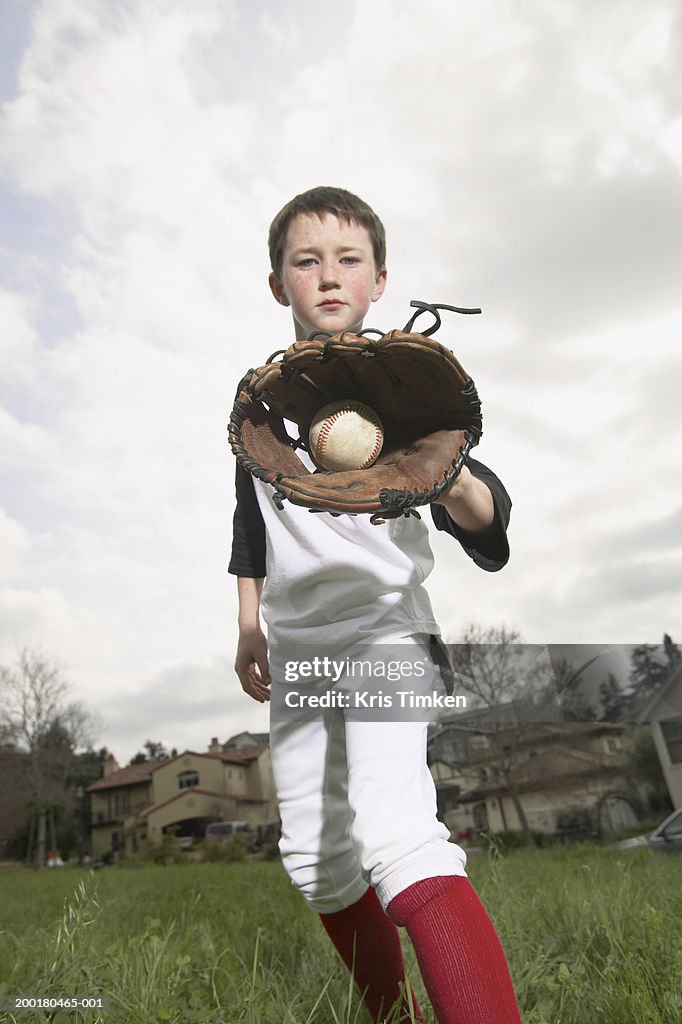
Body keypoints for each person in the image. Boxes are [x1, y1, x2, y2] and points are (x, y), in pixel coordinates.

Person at [229, 186, 522, 1024]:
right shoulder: (262, 408)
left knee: (395, 829)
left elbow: (489, 523)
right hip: (300, 650)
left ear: (380, 279)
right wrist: (249, 619)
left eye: (347, 259)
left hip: (388, 632)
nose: (328, 276)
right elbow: (249, 525)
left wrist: (444, 469)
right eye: (306, 260)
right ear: (278, 282)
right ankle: (393, 1016)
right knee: (317, 861)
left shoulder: (407, 397)